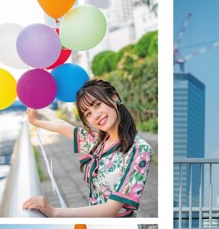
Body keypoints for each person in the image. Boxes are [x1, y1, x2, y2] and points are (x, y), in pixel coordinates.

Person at [22, 79, 153, 218]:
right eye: (88, 113)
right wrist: (35, 121)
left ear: (114, 97)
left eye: (97, 105)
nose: (96, 115)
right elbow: (62, 126)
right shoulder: (99, 139)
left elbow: (111, 210)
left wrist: (55, 212)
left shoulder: (139, 150)